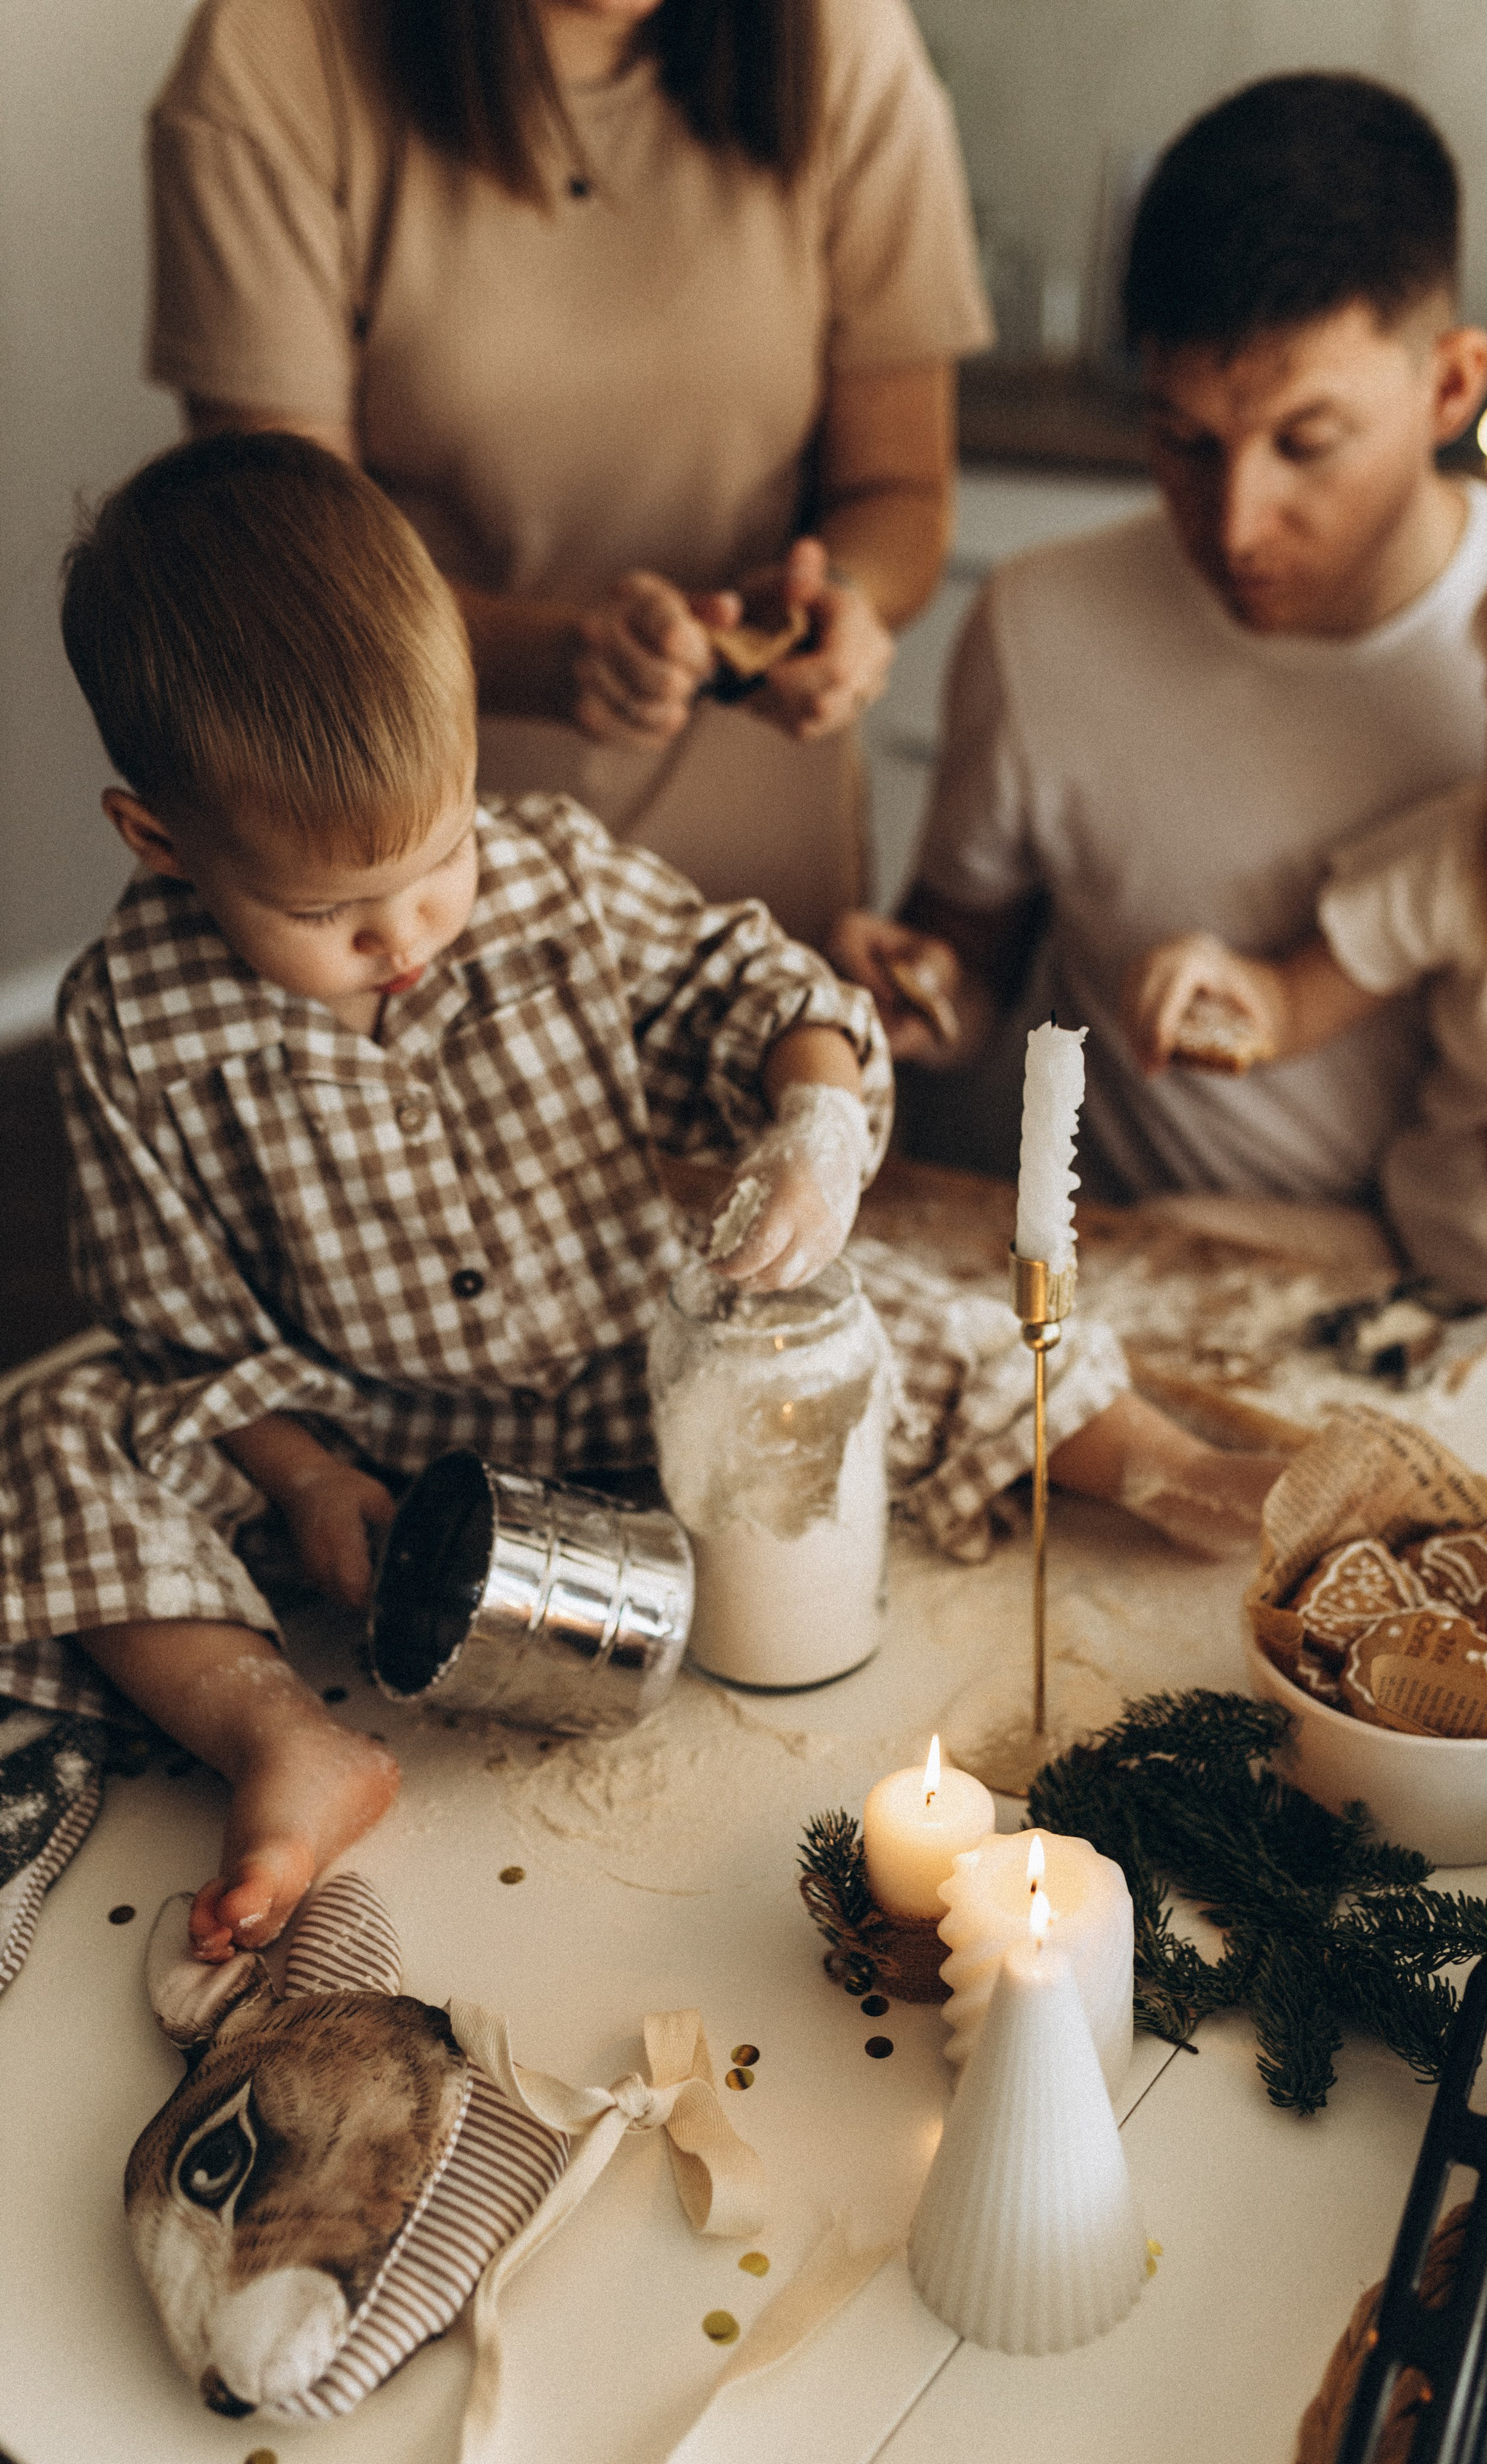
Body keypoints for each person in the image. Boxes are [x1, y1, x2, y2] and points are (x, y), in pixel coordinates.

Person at [1, 434, 1285, 1965]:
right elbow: (179, 1341)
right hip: (381, 1453)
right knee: (56, 1433)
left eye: (439, 857)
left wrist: (812, 1111)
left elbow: (759, 993)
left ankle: (1163, 1466)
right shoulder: (132, 1026)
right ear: (157, 837)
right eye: (325, 914)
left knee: (907, 1322)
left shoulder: (555, 881)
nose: (408, 936)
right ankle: (280, 1738)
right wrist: (301, 1479)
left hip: (657, 1372)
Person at [145, 0, 994, 946]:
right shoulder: (276, 52)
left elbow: (897, 493)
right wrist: (556, 662)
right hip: (399, 895)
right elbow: (289, 573)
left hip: (762, 892)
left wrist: (838, 599)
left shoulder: (844, 36)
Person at [831, 71, 1487, 1203]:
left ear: (1452, 387)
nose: (1236, 524)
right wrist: (915, 994)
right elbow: (965, 973)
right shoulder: (1041, 622)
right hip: (1151, 1276)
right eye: (1185, 443)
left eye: (1308, 444)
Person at [1125, 430, 1487, 1352]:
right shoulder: (1471, 850)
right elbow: (1286, 1004)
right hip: (1415, 1276)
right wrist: (1215, 986)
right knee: (1150, 1242)